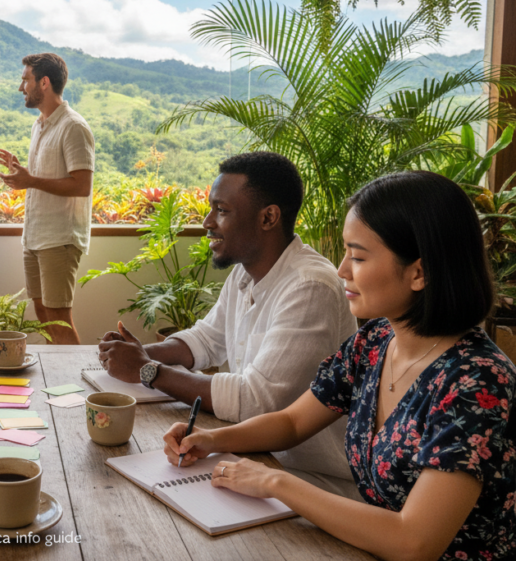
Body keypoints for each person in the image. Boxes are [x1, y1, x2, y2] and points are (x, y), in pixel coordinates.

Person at [166, 171, 515, 561]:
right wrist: (213, 441)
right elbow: (293, 423)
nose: (341, 270)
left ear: (420, 272)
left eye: (359, 256)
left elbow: (414, 541)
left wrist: (276, 483)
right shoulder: (376, 342)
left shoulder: (477, 381)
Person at [98, 151, 358, 497]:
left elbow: (255, 400)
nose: (207, 222)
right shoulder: (246, 270)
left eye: (222, 211)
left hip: (310, 481)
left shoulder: (310, 286)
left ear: (268, 218)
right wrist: (138, 353)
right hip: (253, 461)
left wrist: (149, 371)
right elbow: (206, 340)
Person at [0, 53, 93, 345]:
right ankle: (58, 383)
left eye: (25, 79)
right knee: (42, 314)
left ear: (45, 82)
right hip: (35, 237)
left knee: (58, 318)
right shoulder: (39, 125)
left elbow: (82, 185)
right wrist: (24, 174)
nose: (20, 87)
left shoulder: (73, 126)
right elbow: (45, 177)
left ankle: (77, 387)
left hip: (59, 239)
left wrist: (31, 180)